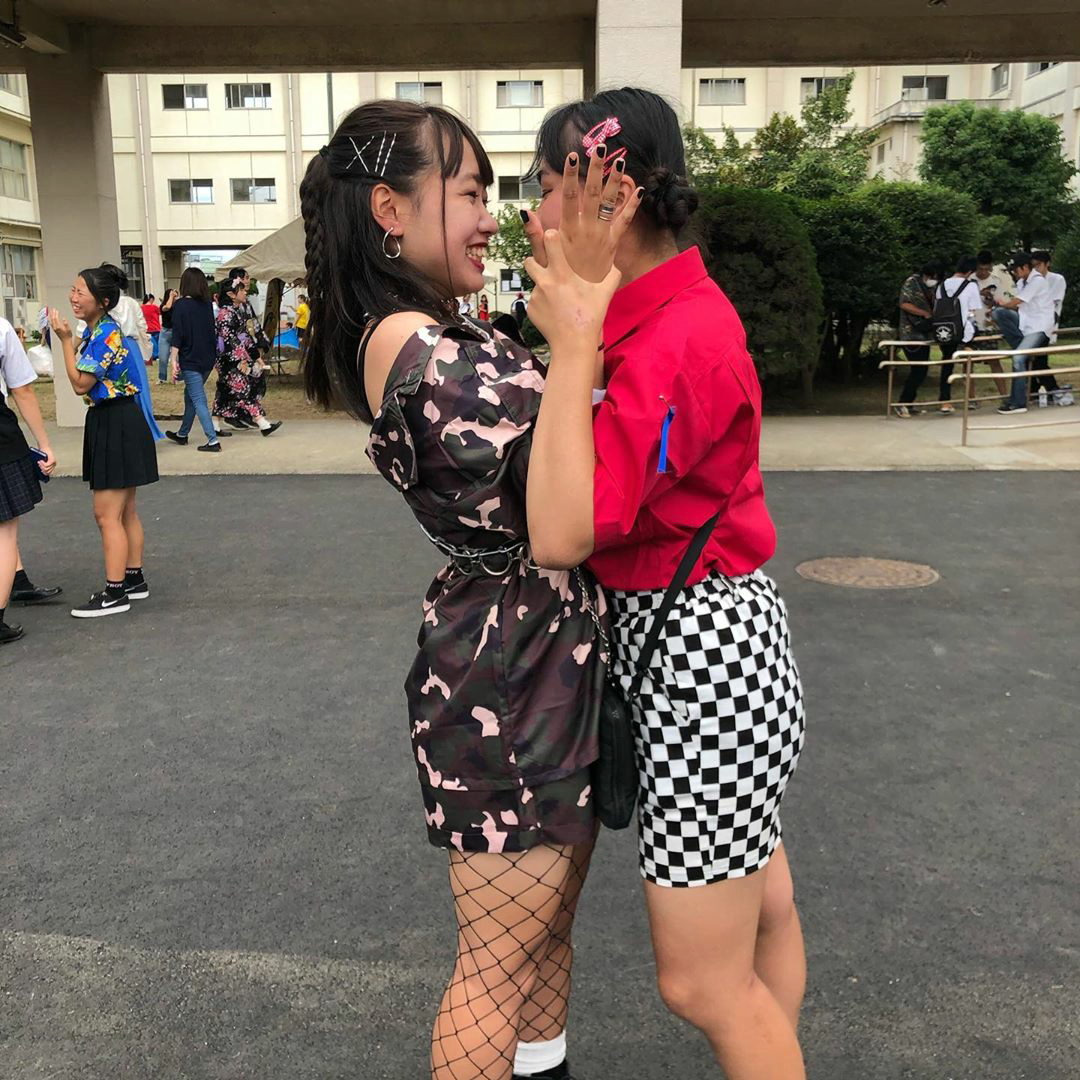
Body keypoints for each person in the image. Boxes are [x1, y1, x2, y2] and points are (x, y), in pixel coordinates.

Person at [300, 99, 623, 1080]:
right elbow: (560, 513)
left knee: (542, 943)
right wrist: (577, 333)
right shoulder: (416, 344)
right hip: (509, 676)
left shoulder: (434, 332)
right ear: (390, 211)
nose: (491, 218)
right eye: (471, 193)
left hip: (533, 655)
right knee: (494, 964)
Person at [521, 87, 807, 1079]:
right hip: (707, 647)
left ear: (613, 194)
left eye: (545, 184)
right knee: (765, 913)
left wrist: (571, 341)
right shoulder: (657, 317)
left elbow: (564, 529)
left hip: (701, 663)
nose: (534, 212)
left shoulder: (677, 335)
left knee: (702, 984)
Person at [50, 264, 159, 618]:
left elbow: (80, 384)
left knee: (106, 514)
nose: (73, 297)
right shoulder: (99, 330)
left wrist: (64, 341)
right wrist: (71, 337)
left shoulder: (105, 335)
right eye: (73, 289)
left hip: (115, 421)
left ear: (103, 301)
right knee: (125, 511)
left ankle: (114, 592)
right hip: (122, 419)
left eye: (80, 292)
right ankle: (133, 579)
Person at [0, 315, 57, 643]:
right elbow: (22, 389)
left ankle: (18, 581)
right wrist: (44, 444)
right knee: (5, 529)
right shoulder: (1, 329)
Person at [165, 267, 227, 452]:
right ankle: (182, 434)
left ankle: (212, 441)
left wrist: (173, 359)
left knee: (198, 399)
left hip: (190, 359)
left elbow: (178, 334)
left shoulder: (181, 305)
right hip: (207, 358)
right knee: (190, 396)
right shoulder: (207, 305)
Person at [214, 275, 282, 436]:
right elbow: (230, 340)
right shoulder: (225, 314)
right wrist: (243, 358)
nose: (245, 292)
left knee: (224, 392)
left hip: (235, 358)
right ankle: (263, 423)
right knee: (244, 390)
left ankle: (214, 425)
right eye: (241, 290)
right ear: (231, 294)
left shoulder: (237, 311)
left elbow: (245, 337)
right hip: (229, 360)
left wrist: (256, 356)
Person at [993, 252, 1058, 415]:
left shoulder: (1037, 281)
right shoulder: (1022, 282)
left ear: (1025, 267)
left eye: (1016, 270)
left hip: (1039, 327)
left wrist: (1004, 304)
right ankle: (1020, 347)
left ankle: (1018, 402)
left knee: (1018, 358)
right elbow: (1018, 306)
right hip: (1025, 323)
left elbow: (1017, 302)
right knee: (999, 313)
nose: (1014, 273)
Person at [932, 255, 982, 415]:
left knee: (947, 364)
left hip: (944, 331)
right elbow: (974, 311)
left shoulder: (941, 285)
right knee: (968, 363)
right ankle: (971, 398)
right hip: (964, 331)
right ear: (970, 271)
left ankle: (945, 401)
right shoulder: (971, 285)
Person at [894, 262, 941, 416]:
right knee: (918, 370)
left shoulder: (932, 288)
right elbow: (904, 304)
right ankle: (902, 403)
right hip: (911, 334)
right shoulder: (911, 283)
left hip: (924, 334)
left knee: (921, 370)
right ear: (926, 275)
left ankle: (909, 403)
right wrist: (924, 313)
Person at [971, 252, 1009, 398]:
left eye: (986, 269)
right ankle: (971, 399)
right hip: (972, 324)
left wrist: (991, 300)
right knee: (968, 363)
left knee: (994, 361)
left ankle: (1004, 396)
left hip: (988, 324)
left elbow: (1001, 302)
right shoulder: (969, 280)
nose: (983, 273)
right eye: (980, 269)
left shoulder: (996, 281)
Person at [109, 267, 153, 364]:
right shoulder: (130, 302)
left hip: (110, 347)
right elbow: (142, 327)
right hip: (132, 346)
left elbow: (81, 331)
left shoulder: (100, 304)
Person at [158, 288, 178, 383]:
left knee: (177, 358)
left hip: (176, 332)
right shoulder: (163, 306)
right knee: (163, 358)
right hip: (165, 332)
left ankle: (177, 377)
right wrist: (171, 296)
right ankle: (162, 377)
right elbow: (168, 307)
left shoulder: (178, 306)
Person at [141, 293, 162, 361]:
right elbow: (161, 314)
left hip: (147, 329)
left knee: (151, 343)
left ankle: (153, 355)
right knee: (158, 343)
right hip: (156, 327)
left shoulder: (141, 308)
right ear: (151, 299)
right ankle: (157, 355)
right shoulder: (155, 307)